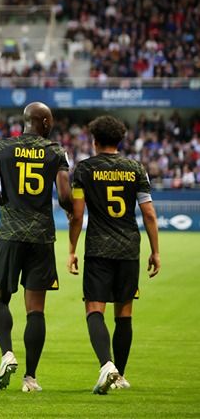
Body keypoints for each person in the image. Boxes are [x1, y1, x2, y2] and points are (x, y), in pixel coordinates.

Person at [0, 102, 72, 392]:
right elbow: (65, 195)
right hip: (42, 238)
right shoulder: (56, 152)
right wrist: (70, 211)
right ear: (43, 122)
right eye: (51, 119)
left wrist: (7, 204)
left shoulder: (1, 147)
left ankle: (7, 353)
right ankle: (30, 378)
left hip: (9, 234)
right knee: (36, 310)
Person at [67, 115, 160, 394]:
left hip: (98, 249)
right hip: (129, 249)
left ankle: (107, 365)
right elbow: (149, 214)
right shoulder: (135, 169)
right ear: (119, 140)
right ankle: (120, 376)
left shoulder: (84, 170)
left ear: (94, 141)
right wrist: (155, 251)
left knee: (94, 309)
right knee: (125, 313)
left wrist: (71, 249)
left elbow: (78, 215)